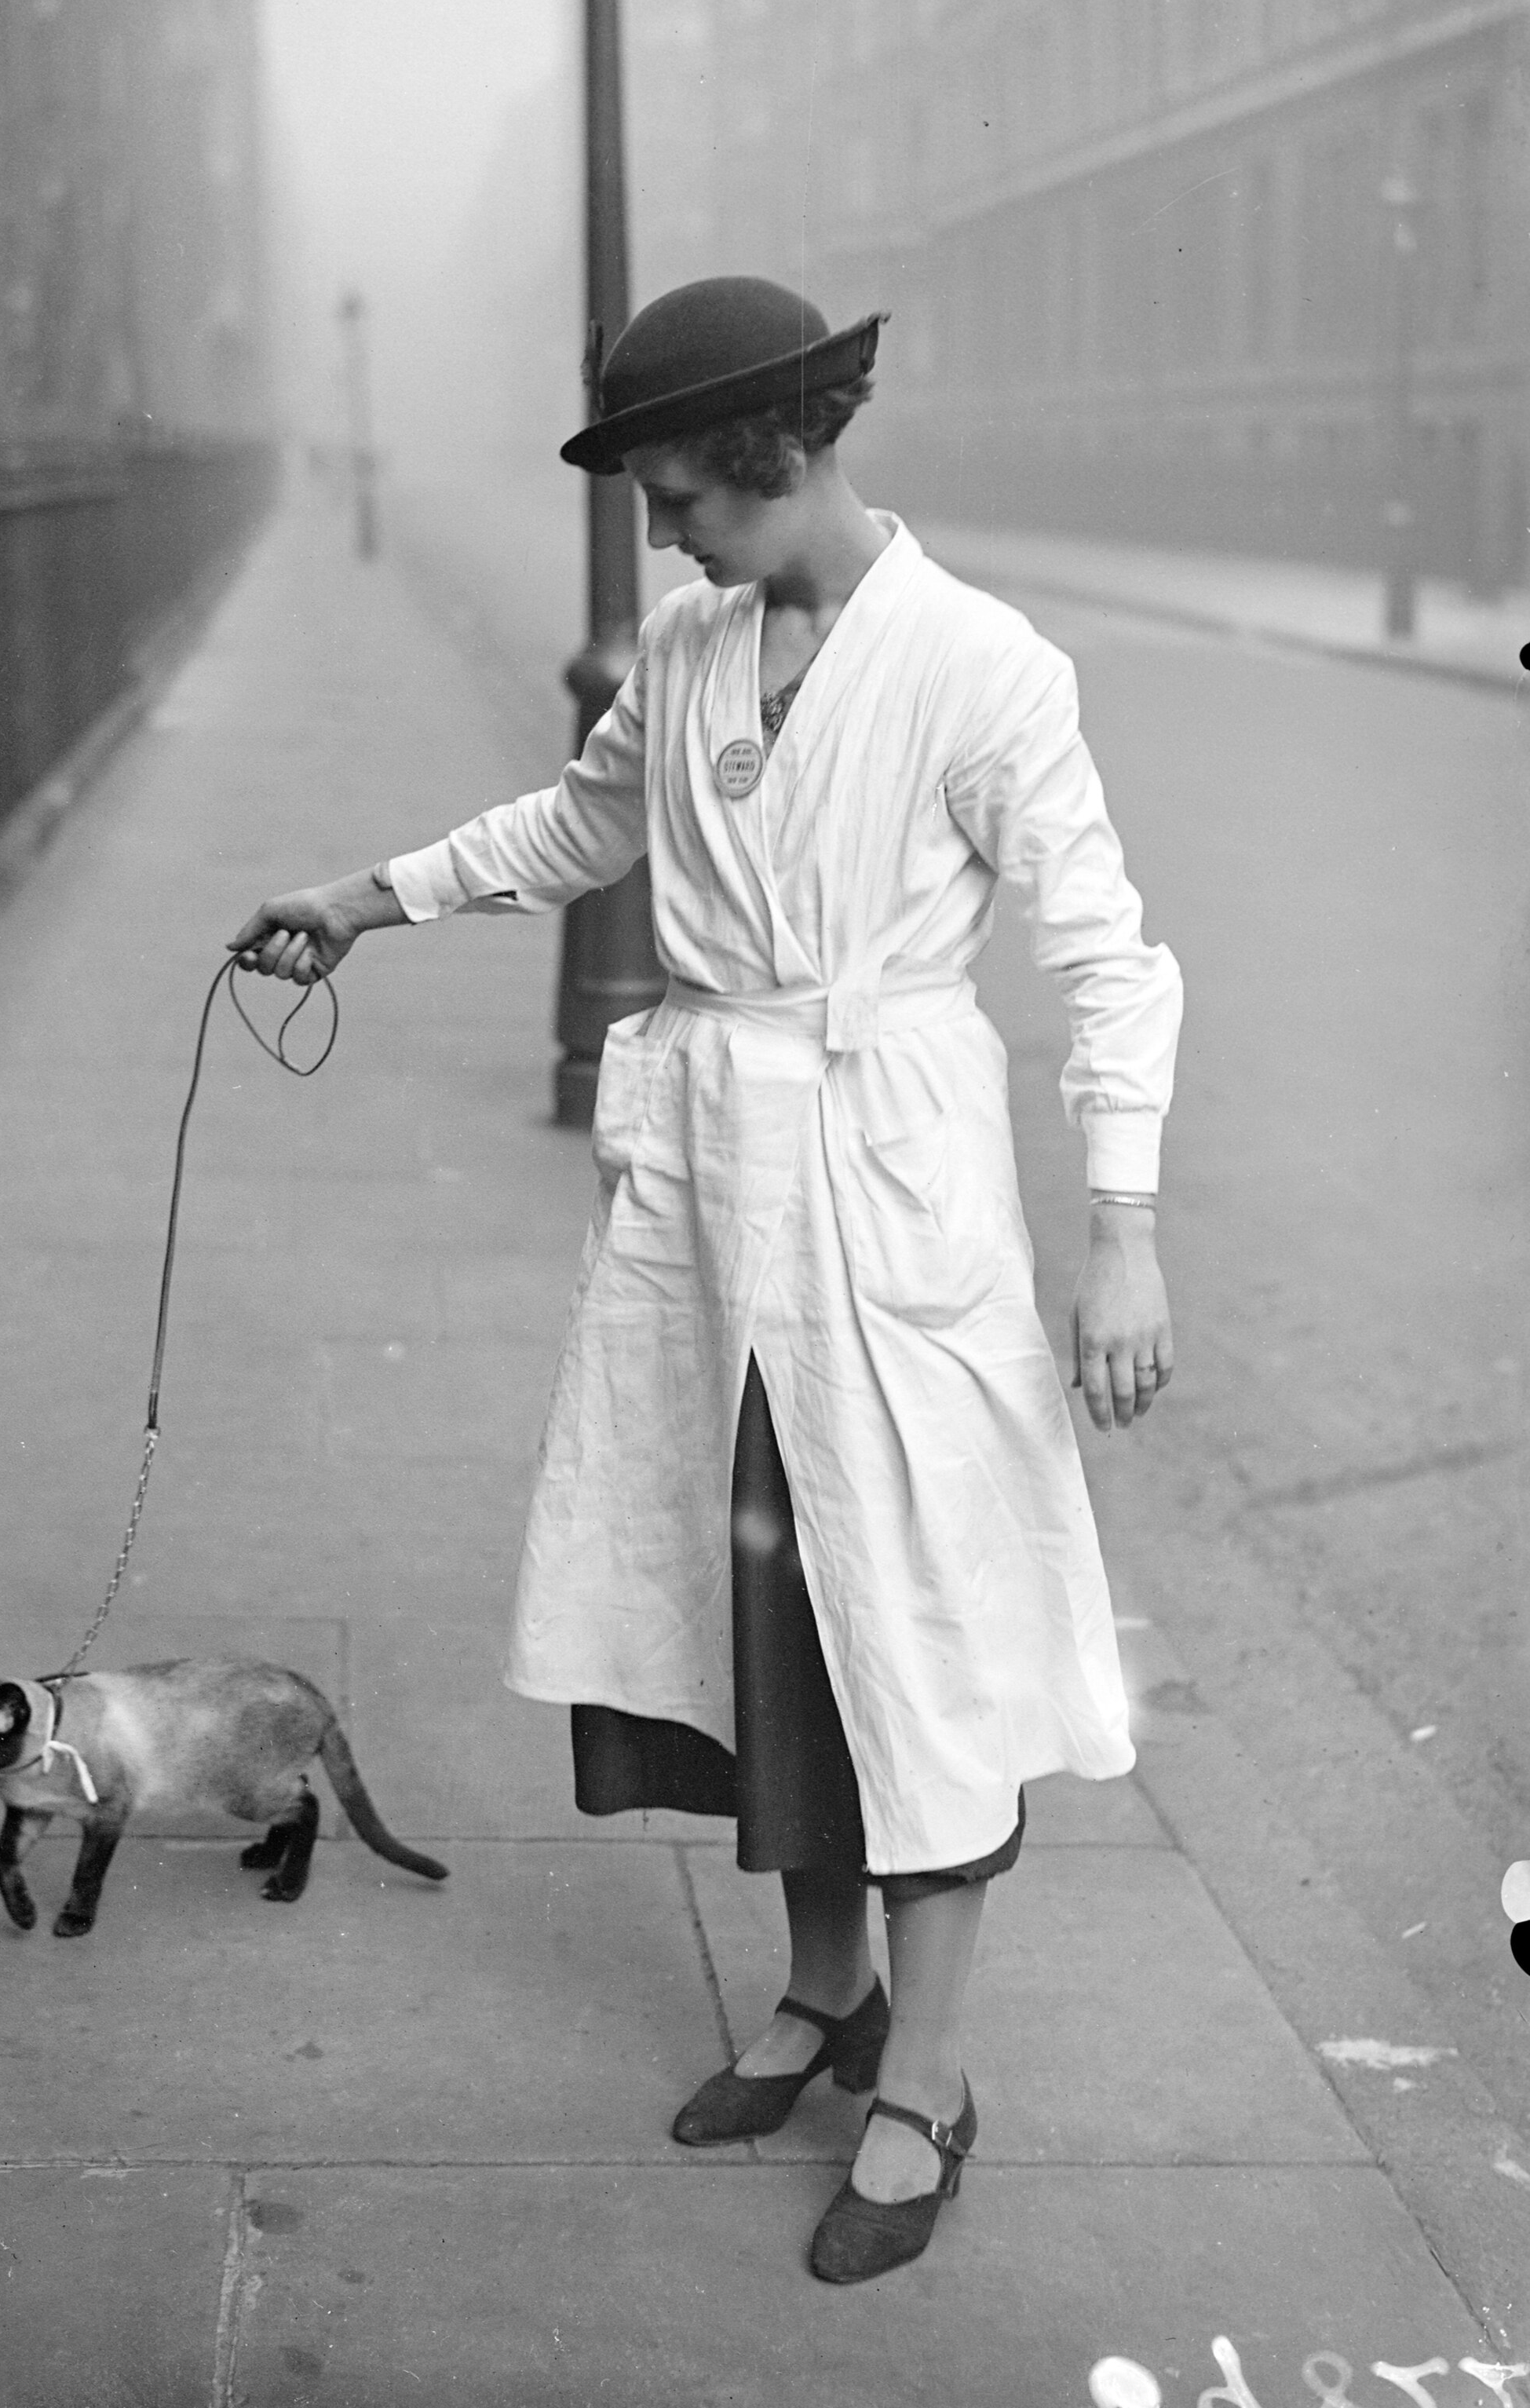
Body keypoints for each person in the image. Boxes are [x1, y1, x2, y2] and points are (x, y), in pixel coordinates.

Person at [232, 276, 1181, 2286]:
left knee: (916, 1633)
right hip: (708, 1200)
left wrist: (1124, 1227)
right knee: (767, 1619)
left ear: (777, 456)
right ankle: (822, 1992)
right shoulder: (685, 643)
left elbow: (1104, 946)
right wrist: (370, 898)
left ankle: (927, 2077)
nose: (662, 533)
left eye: (680, 494)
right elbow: (582, 821)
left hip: (882, 1193)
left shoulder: (979, 667)